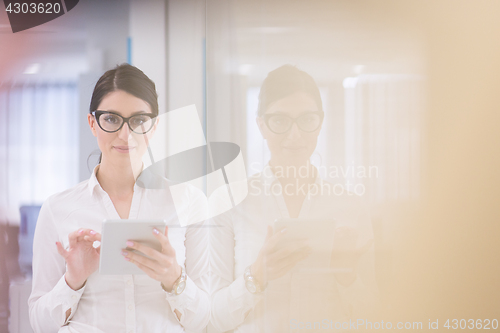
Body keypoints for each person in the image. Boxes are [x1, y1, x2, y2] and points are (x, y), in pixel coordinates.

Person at [28, 64, 210, 333]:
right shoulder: (57, 209)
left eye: (138, 120)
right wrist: (72, 280)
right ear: (93, 123)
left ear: (154, 126)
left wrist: (174, 279)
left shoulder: (190, 202)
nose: (126, 135)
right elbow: (39, 325)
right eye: (112, 119)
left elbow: (204, 321)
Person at [210, 65, 378, 332]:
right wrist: (257, 275)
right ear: (261, 125)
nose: (295, 134)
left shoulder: (350, 207)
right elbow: (210, 321)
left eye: (307, 120)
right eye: (280, 121)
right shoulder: (229, 202)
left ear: (320, 122)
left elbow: (374, 319)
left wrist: (347, 275)